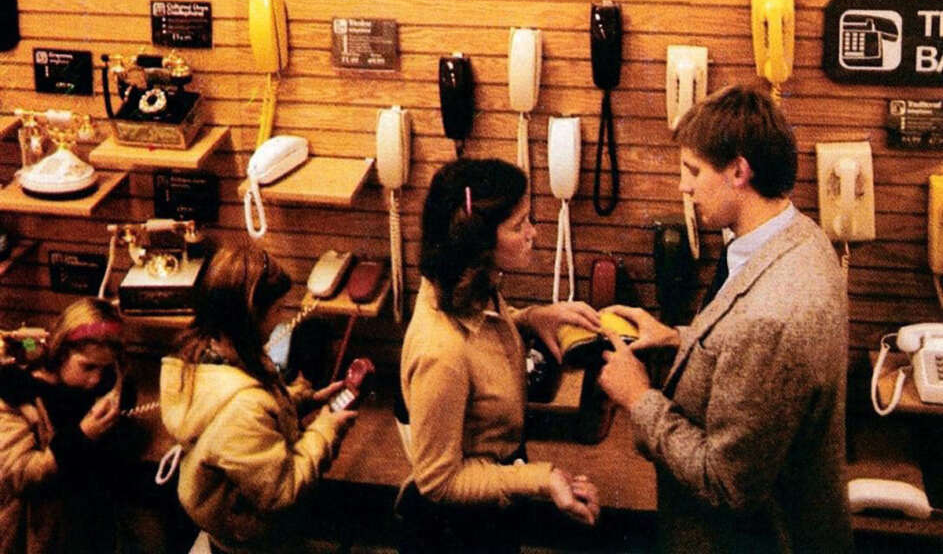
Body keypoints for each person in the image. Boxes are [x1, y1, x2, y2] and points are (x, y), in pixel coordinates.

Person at [599, 85, 851, 554]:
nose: (684, 186)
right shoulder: (800, 238)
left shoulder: (774, 315)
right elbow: (750, 353)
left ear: (739, 170)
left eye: (693, 171)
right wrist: (678, 338)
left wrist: (638, 398)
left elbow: (725, 483)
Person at [398, 158, 601, 554]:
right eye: (518, 225)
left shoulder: (467, 286)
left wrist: (529, 319)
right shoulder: (441, 352)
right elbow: (439, 482)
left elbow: (483, 329)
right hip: (461, 530)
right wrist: (543, 479)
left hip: (497, 491)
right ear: (477, 242)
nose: (534, 233)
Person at [160, 242, 356, 554]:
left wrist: (300, 400)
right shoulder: (242, 407)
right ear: (251, 315)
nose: (281, 320)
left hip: (229, 517)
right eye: (277, 310)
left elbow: (244, 421)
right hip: (252, 534)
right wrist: (326, 429)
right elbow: (282, 489)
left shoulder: (214, 354)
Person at [0, 297, 127, 554]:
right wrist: (81, 438)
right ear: (61, 353)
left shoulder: (94, 387)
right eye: (88, 366)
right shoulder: (16, 398)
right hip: (37, 536)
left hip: (82, 527)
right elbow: (21, 475)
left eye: (105, 369)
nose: (96, 379)